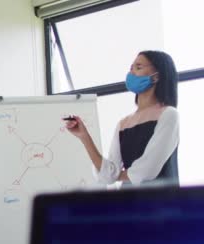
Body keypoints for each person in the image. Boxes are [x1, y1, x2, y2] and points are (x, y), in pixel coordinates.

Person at [65, 50, 179, 186]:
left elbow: (147, 170)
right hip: (129, 201)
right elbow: (107, 175)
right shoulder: (124, 123)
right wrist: (84, 137)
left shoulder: (169, 114)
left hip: (161, 201)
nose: (131, 74)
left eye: (138, 67)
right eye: (131, 68)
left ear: (156, 77)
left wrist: (115, 175)